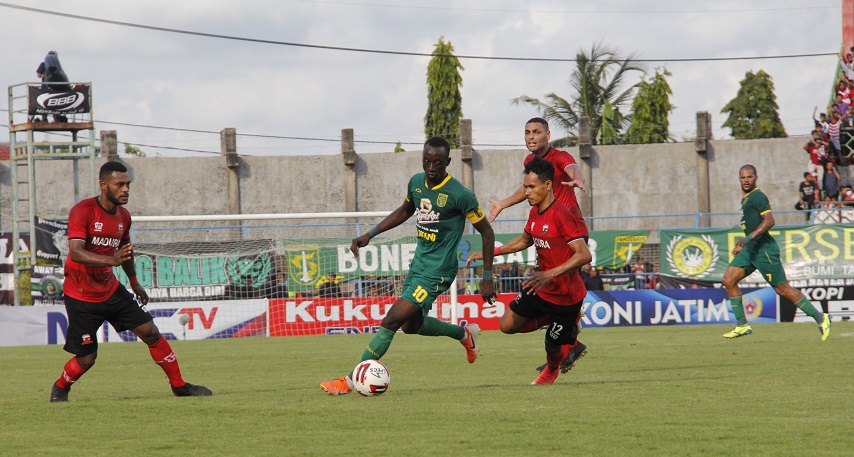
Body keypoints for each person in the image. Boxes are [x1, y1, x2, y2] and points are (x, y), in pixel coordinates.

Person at [320, 136, 496, 395]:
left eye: (438, 162)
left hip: (438, 272)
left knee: (391, 320)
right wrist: (370, 234)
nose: (431, 168)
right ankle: (464, 334)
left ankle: (349, 381)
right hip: (418, 266)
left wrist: (487, 276)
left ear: (448, 162)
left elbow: (487, 233)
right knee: (410, 326)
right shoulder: (416, 183)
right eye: (427, 161)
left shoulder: (460, 195)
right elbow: (405, 210)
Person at [50, 162, 212, 402]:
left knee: (150, 331)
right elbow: (76, 252)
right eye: (120, 184)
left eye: (128, 185)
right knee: (87, 358)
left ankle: (179, 386)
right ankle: (61, 387)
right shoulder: (82, 210)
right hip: (81, 295)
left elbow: (125, 251)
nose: (126, 189)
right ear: (104, 185)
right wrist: (111, 259)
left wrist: (134, 282)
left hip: (111, 290)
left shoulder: (124, 216)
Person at [466, 156, 591, 385]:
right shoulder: (534, 212)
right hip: (540, 287)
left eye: (531, 187)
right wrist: (489, 254)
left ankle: (552, 369)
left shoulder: (561, 214)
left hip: (565, 296)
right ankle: (564, 324)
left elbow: (584, 254)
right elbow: (524, 241)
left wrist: (549, 274)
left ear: (548, 185)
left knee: (552, 346)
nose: (527, 192)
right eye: (525, 187)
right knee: (506, 325)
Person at [487, 117, 591, 372]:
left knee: (562, 288)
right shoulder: (530, 164)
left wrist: (578, 179)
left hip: (570, 234)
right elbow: (526, 189)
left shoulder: (559, 156)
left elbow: (572, 168)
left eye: (536, 132)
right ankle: (569, 340)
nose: (531, 136)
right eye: (527, 132)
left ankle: (568, 337)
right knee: (544, 286)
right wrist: (502, 204)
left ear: (547, 135)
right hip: (550, 234)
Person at [720, 164, 830, 341]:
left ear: (756, 177)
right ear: (739, 179)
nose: (746, 180)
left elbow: (770, 221)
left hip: (763, 250)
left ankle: (821, 318)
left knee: (782, 289)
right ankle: (742, 325)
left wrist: (747, 239)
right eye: (743, 177)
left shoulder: (758, 196)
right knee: (728, 280)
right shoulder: (746, 198)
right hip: (751, 250)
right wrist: (745, 244)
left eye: (749, 177)